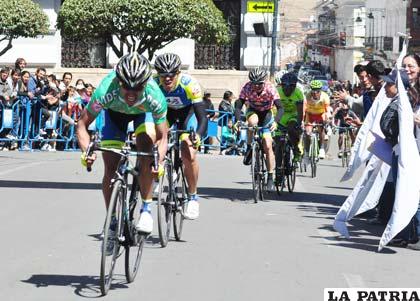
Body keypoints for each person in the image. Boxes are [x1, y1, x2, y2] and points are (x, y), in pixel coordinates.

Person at [77, 53, 168, 247]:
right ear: (118, 82)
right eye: (126, 87)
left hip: (144, 116)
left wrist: (157, 162)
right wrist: (86, 151)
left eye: (138, 88)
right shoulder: (105, 90)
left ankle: (145, 208)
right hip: (115, 117)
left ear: (146, 84)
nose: (131, 94)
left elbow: (163, 138)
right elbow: (82, 125)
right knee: (110, 167)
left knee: (146, 149)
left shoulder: (155, 96)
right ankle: (112, 222)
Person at [153, 52, 206, 220]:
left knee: (188, 152)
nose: (167, 79)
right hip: (166, 114)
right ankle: (157, 172)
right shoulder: (153, 84)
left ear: (178, 73)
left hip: (187, 114)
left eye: (171, 75)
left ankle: (193, 197)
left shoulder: (190, 84)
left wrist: (197, 135)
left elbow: (202, 117)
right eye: (163, 75)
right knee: (153, 138)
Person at [379, 68, 419, 249]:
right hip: (399, 150)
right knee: (401, 193)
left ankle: (414, 235)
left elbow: (388, 125)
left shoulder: (404, 102)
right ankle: (406, 234)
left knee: (409, 194)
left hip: (407, 152)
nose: (386, 87)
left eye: (389, 84)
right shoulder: (404, 101)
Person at [235, 66, 282, 191]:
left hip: (267, 114)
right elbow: (238, 104)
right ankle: (250, 147)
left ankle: (271, 176)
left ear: (264, 82)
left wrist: (276, 122)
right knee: (252, 122)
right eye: (254, 84)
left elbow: (280, 107)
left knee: (268, 145)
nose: (256, 87)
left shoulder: (270, 88)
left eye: (259, 84)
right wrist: (238, 120)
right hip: (253, 111)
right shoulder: (247, 87)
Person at [274, 72, 304, 162]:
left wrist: (298, 125)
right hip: (280, 115)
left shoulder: (298, 93)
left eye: (291, 86)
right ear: (281, 85)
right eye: (284, 86)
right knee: (278, 140)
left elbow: (300, 112)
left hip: (293, 115)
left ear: (295, 86)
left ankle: (296, 149)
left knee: (292, 129)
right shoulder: (277, 92)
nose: (287, 89)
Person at [303, 80, 330, 159]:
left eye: (317, 91)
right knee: (307, 133)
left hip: (320, 114)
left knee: (321, 129)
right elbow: (304, 110)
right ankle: (307, 152)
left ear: (320, 90)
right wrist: (302, 120)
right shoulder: (307, 96)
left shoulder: (325, 97)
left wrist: (327, 119)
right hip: (310, 115)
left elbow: (327, 110)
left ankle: (321, 148)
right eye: (313, 91)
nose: (315, 93)